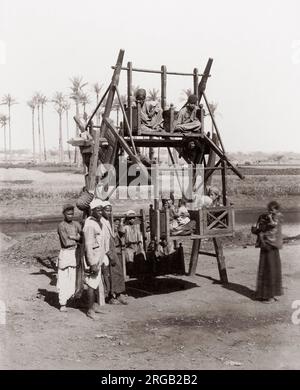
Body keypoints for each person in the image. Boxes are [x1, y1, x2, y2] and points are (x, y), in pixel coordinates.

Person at [251, 201, 283, 303]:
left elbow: (273, 225)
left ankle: (269, 296)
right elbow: (258, 228)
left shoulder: (276, 218)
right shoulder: (265, 217)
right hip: (268, 246)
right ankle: (264, 294)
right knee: (267, 270)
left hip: (270, 246)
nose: (270, 212)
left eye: (272, 211)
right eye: (269, 210)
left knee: (269, 270)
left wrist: (267, 220)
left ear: (277, 210)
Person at [83, 199, 107, 319]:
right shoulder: (89, 224)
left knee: (96, 283)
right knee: (91, 285)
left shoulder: (98, 222)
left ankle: (94, 306)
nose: (101, 212)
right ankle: (89, 310)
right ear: (92, 211)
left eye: (101, 210)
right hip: (92, 259)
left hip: (99, 257)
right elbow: (88, 245)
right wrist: (92, 263)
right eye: (98, 210)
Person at [100, 202, 128, 305]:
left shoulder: (107, 221)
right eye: (107, 210)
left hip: (111, 248)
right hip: (107, 250)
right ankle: (111, 296)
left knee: (118, 271)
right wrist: (109, 254)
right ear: (102, 211)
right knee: (108, 274)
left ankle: (119, 293)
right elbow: (104, 240)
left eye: (110, 210)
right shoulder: (101, 222)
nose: (109, 212)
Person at [57, 204, 81, 312]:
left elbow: (83, 236)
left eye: (72, 214)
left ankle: (73, 299)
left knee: (73, 278)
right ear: (64, 214)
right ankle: (62, 303)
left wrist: (75, 237)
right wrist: (77, 238)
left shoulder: (76, 224)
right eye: (68, 214)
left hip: (75, 253)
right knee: (63, 279)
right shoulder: (61, 226)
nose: (70, 216)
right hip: (66, 253)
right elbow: (66, 242)